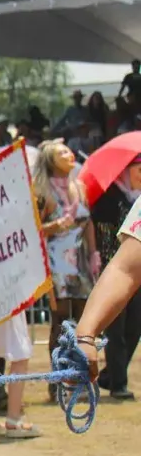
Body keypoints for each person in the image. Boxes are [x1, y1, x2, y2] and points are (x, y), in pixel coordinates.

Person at [33, 141, 99, 402]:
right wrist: (56, 225)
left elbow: (88, 222)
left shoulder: (79, 187)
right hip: (55, 260)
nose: (69, 154)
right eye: (62, 152)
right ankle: (58, 380)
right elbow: (35, 229)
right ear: (50, 160)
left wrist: (94, 253)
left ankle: (79, 376)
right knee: (59, 322)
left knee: (85, 320)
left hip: (80, 259)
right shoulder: (42, 192)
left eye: (69, 151)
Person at [88, 153, 141, 400]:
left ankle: (111, 375)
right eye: (137, 169)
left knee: (134, 328)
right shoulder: (110, 199)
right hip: (115, 267)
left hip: (136, 271)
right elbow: (107, 234)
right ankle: (118, 383)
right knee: (116, 330)